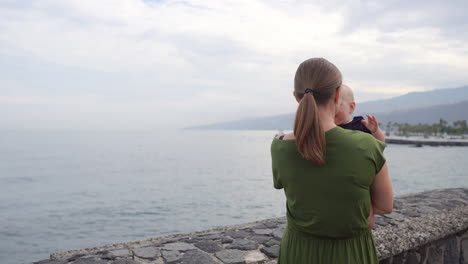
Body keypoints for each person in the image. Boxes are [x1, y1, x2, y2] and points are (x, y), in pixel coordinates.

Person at [271, 58, 393, 263]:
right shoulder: (366, 145)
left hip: (298, 253)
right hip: (350, 254)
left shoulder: (280, 146)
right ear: (337, 95)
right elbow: (385, 205)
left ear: (296, 97)